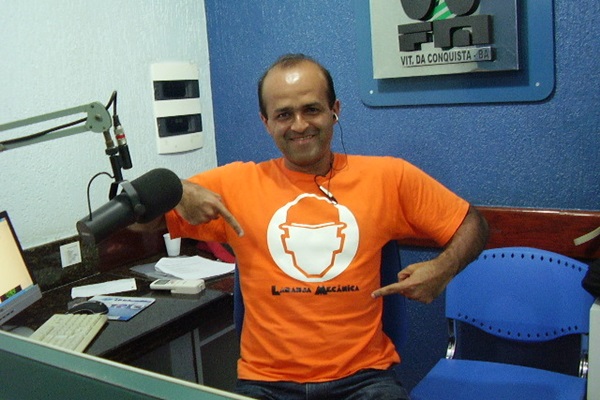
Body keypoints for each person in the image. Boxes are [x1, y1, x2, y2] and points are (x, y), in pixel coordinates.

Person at [144, 54, 489, 399]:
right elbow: (136, 223)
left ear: (334, 109)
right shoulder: (235, 185)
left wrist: (443, 269)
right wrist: (176, 188)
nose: (299, 125)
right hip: (267, 383)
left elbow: (473, 224)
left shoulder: (387, 177)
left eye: (311, 109)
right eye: (283, 114)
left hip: (364, 380)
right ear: (266, 122)